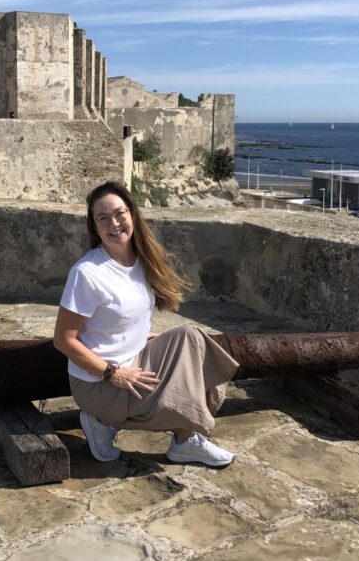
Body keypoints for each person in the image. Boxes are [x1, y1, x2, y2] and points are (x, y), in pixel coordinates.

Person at [53, 181, 239, 467]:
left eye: (119, 214)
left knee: (191, 338)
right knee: (181, 385)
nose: (114, 224)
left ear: (132, 214)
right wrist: (113, 374)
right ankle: (176, 436)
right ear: (95, 227)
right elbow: (64, 340)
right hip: (97, 384)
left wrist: (155, 342)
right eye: (103, 219)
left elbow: (125, 323)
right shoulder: (87, 274)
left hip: (133, 358)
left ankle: (182, 438)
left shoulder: (142, 260)